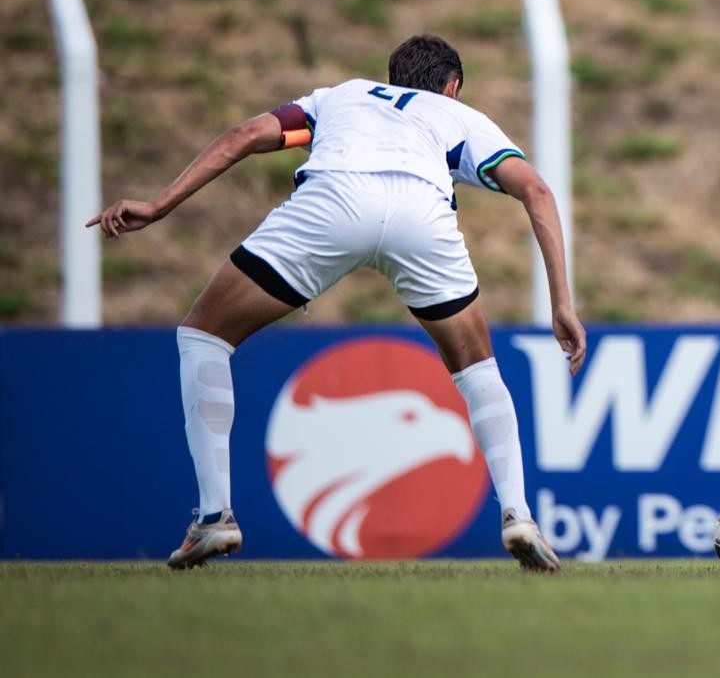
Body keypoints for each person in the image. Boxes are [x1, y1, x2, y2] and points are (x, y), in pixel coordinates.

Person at [88, 33, 586, 573]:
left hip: (334, 202)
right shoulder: (455, 116)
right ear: (453, 87)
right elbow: (535, 190)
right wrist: (562, 302)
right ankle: (518, 514)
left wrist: (159, 205)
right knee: (477, 369)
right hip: (423, 214)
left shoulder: (340, 97)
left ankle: (214, 516)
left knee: (204, 335)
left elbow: (246, 135)